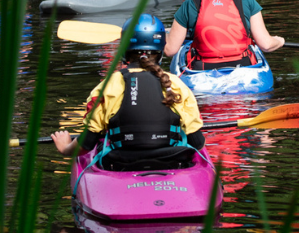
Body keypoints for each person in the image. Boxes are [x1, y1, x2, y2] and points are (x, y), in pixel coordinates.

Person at [51, 14, 205, 171]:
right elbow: (197, 143)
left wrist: (65, 148)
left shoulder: (107, 86)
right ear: (159, 50)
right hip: (172, 160)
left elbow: (86, 144)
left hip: (119, 163)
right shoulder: (177, 85)